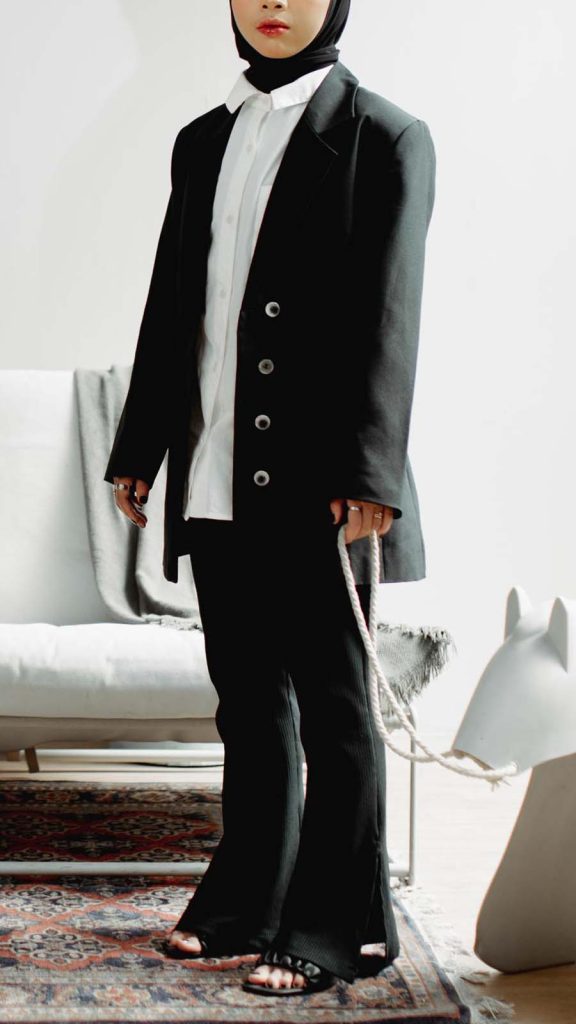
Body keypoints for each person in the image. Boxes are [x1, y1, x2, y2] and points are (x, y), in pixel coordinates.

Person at [104, 0, 436, 997]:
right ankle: (246, 901)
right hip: (215, 467)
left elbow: (391, 314)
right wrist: (142, 445)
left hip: (325, 486)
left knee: (335, 711)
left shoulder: (386, 137)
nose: (275, 4)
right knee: (248, 704)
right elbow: (176, 302)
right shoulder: (203, 138)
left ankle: (336, 927)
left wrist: (371, 474)